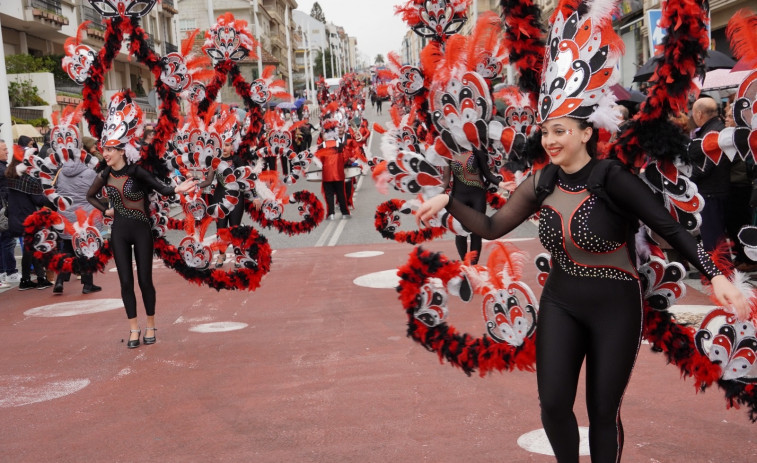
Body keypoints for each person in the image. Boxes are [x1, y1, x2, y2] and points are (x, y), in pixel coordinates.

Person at [415, 3, 750, 461]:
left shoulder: (613, 178)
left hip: (615, 307)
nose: (550, 140)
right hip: (561, 301)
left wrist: (714, 275)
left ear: (586, 134)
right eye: (547, 131)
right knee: (553, 403)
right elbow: (492, 227)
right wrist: (447, 202)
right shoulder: (543, 182)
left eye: (560, 131)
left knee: (601, 408)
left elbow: (669, 226)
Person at [86, 92, 196, 348]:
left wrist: (179, 189)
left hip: (142, 230)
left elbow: (162, 188)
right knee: (125, 281)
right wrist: (106, 209)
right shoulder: (104, 174)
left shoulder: (136, 171)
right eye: (105, 149)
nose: (106, 153)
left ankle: (150, 325)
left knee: (145, 279)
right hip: (120, 232)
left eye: (111, 149)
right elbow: (90, 196)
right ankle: (133, 329)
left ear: (121, 150)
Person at [5, 145, 54, 290]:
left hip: (16, 217)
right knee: (34, 247)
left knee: (29, 248)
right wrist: (50, 195)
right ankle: (40, 278)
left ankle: (26, 279)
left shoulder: (10, 174)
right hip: (29, 217)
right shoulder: (28, 179)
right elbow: (39, 200)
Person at [53, 156, 102, 294]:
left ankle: (60, 281)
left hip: (66, 215)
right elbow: (96, 192)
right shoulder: (90, 173)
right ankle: (87, 284)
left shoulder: (62, 172)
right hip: (84, 215)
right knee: (86, 248)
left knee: (67, 247)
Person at [689, 97, 730, 253]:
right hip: (715, 189)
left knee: (713, 239)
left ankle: (717, 274)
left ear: (699, 114)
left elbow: (706, 165)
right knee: (714, 238)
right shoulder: (714, 128)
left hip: (712, 191)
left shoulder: (712, 132)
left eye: (693, 113)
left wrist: (688, 181)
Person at [0, 139, 21, 288]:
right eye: (4, 149)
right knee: (8, 241)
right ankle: (11, 272)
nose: (7, 151)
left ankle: (4, 272)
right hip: (3, 210)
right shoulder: (2, 170)